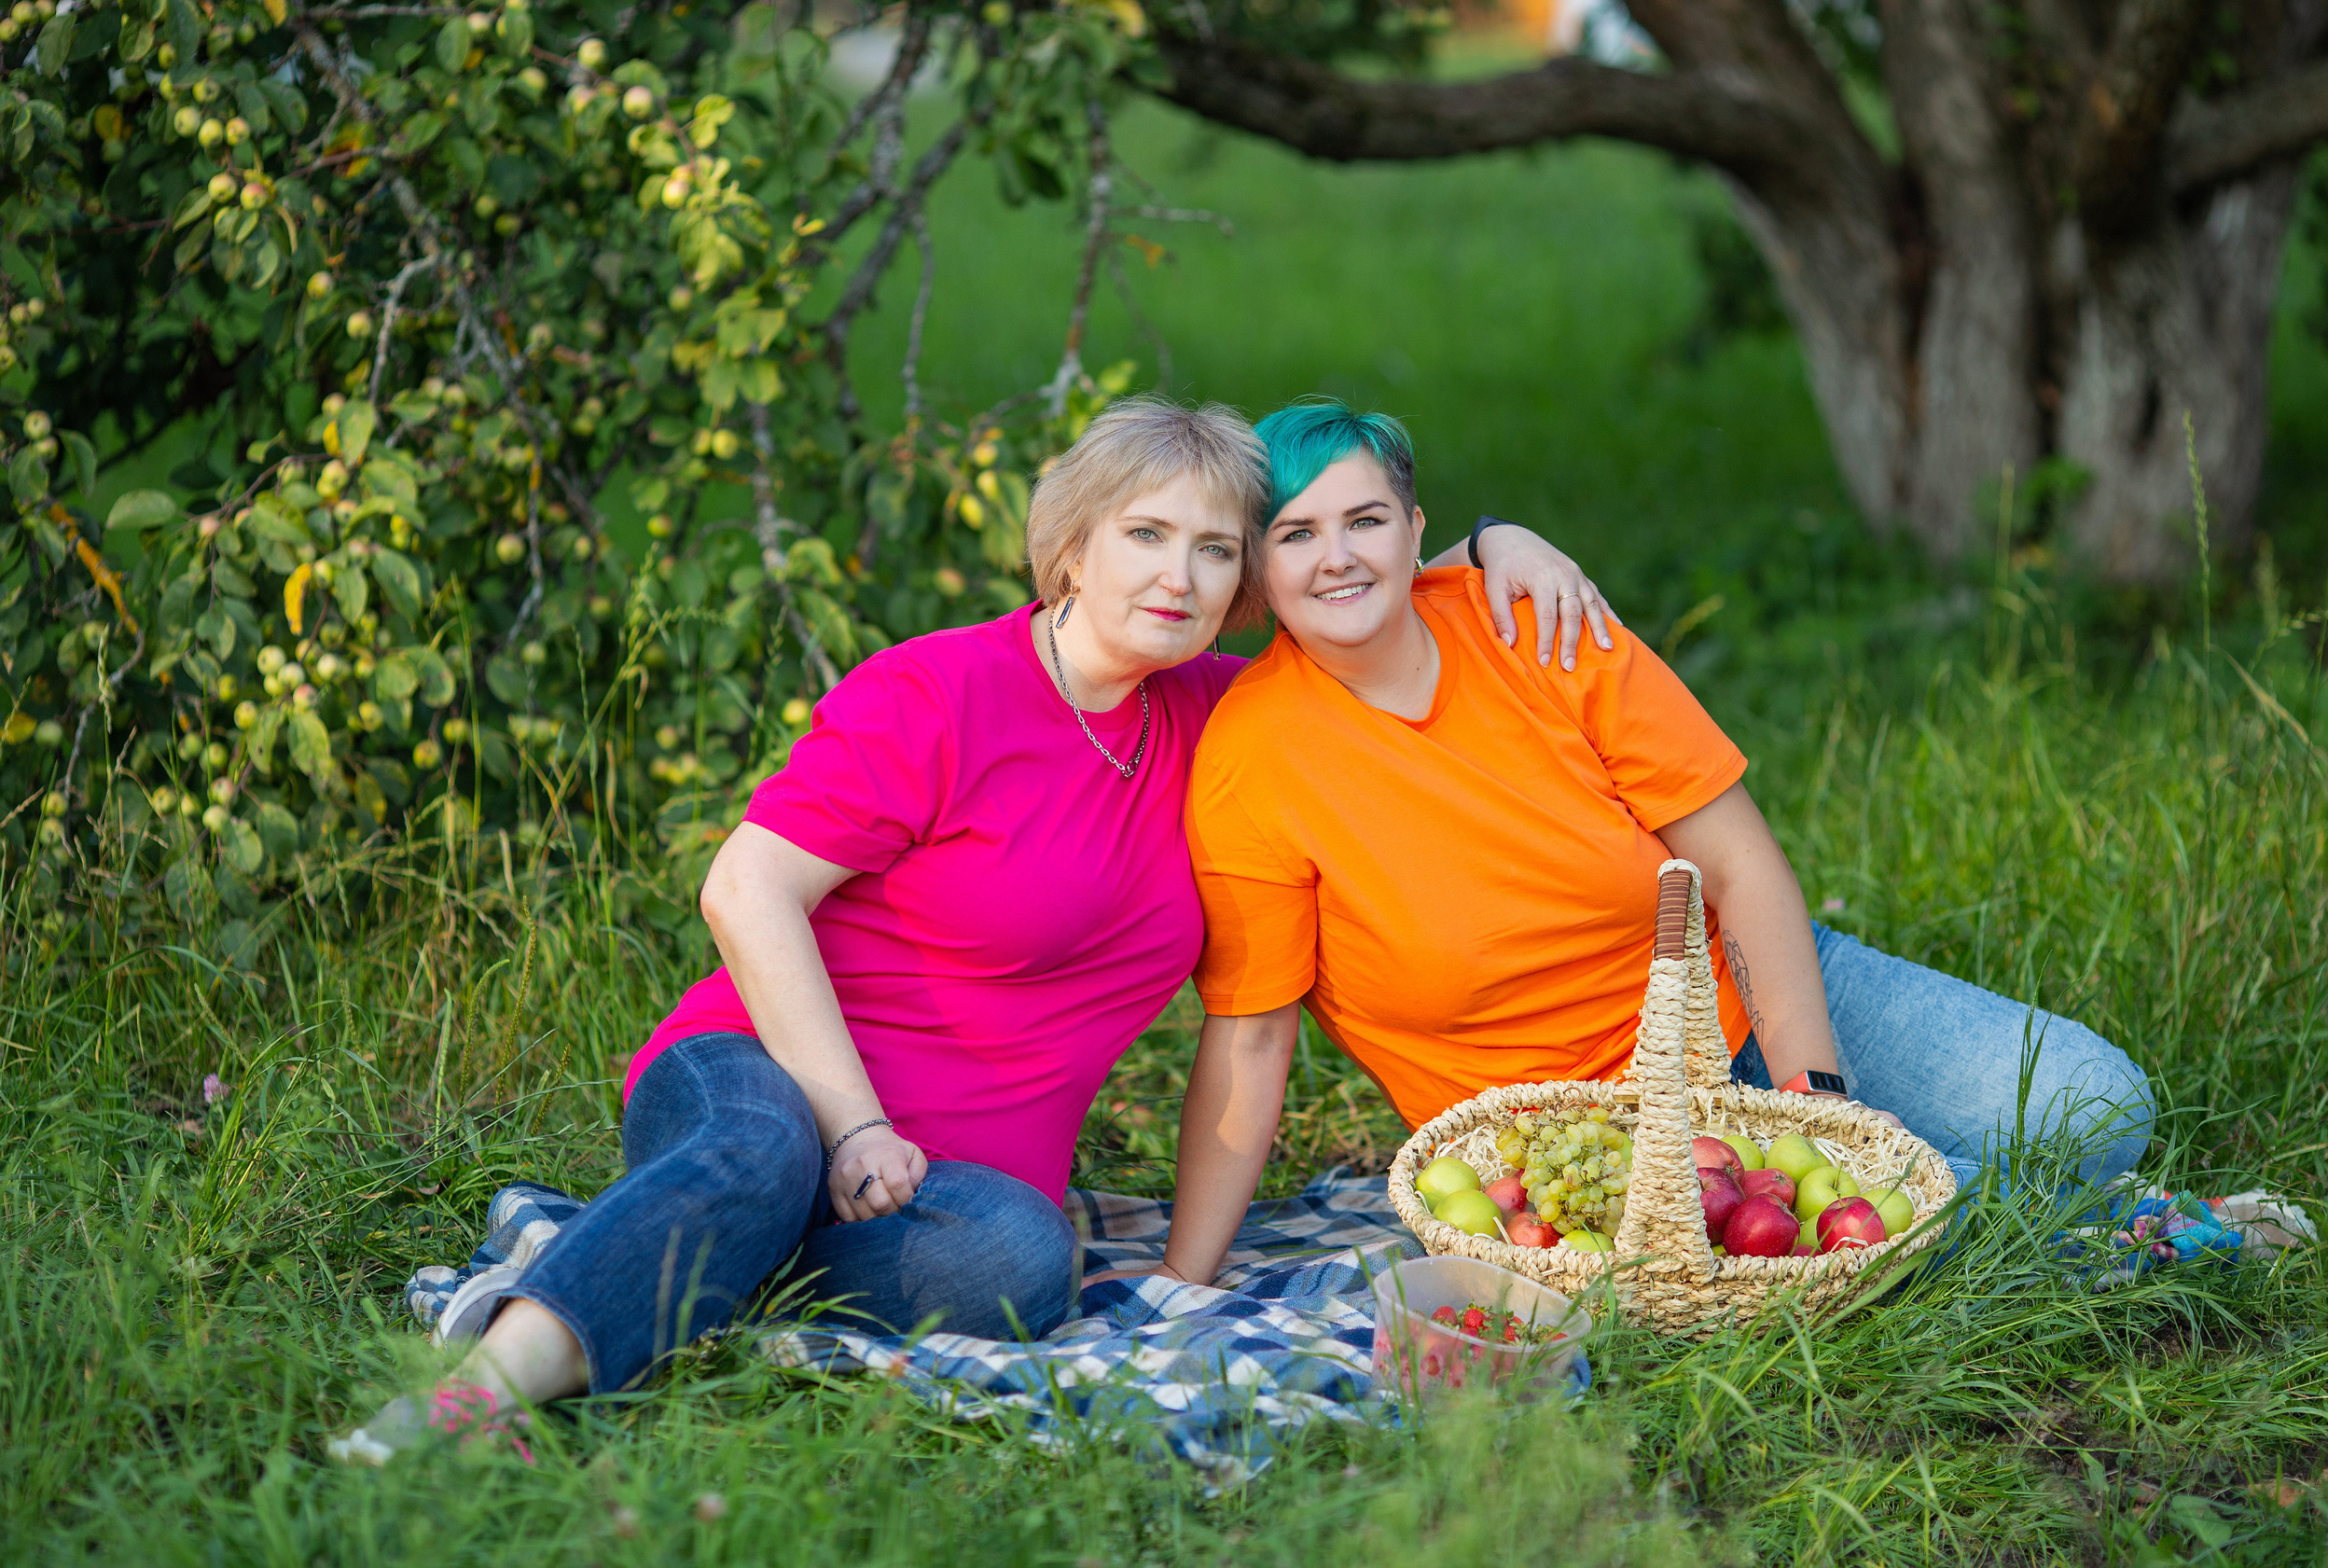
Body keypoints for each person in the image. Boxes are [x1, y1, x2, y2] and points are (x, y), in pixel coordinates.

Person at [330, 395, 1612, 1463]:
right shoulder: (941, 689)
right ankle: (474, 1391)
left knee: (1019, 1260)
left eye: (1215, 548)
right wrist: (853, 1122)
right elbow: (744, 889)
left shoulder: (1229, 720)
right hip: (770, 1068)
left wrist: (1498, 543)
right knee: (763, 1154)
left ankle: (683, 1277)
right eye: (1145, 533)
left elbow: (1359, 588)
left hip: (957, 1190)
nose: (1178, 572)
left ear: (1241, 585)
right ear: (1072, 549)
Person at [1151, 399, 2151, 1287]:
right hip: (1572, 1129)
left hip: (1740, 998)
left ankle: (1981, 1215)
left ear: (1415, 532)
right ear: (1257, 568)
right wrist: (1183, 1282)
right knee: (1919, 1207)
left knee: (2099, 1108)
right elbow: (1252, 1035)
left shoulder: (1534, 623)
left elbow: (1740, 865)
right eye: (1296, 534)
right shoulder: (1253, 760)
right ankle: (2111, 1234)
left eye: (1366, 521)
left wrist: (1813, 1110)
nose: (1338, 558)